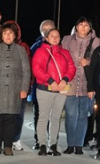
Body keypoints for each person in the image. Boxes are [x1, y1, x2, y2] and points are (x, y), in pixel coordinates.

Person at [0, 22, 30, 156]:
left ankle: (8, 146)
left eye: (10, 33)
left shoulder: (20, 50)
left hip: (15, 91)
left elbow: (26, 71)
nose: (8, 36)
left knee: (10, 119)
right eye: (5, 33)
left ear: (14, 35)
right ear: (1, 36)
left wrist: (24, 89)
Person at [31, 28, 76, 156]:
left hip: (61, 89)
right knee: (43, 117)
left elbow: (71, 67)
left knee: (56, 118)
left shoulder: (65, 52)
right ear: (46, 38)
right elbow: (37, 69)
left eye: (57, 36)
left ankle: (53, 145)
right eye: (52, 36)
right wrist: (51, 81)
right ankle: (42, 144)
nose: (55, 38)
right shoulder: (40, 51)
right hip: (45, 89)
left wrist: (64, 80)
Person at [60, 17, 99, 155]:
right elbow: (61, 58)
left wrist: (88, 62)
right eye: (80, 25)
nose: (83, 27)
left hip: (87, 85)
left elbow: (98, 63)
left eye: (86, 25)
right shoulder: (67, 40)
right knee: (70, 115)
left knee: (83, 115)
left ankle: (79, 145)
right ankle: (70, 144)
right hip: (70, 83)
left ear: (90, 28)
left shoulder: (96, 42)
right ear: (76, 27)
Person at [20, 19, 56, 151]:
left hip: (56, 87)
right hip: (39, 86)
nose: (47, 30)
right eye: (44, 28)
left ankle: (52, 141)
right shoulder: (35, 47)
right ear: (41, 32)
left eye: (49, 27)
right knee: (39, 115)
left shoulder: (60, 46)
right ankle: (39, 140)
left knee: (54, 115)